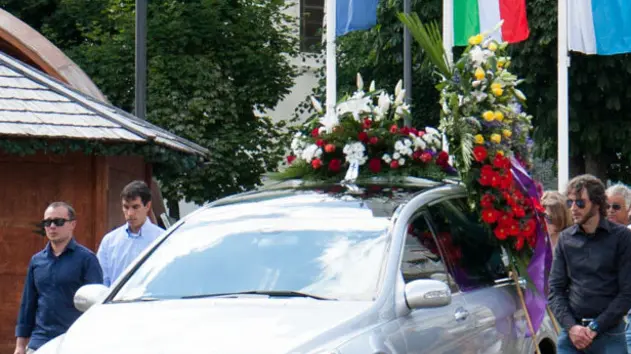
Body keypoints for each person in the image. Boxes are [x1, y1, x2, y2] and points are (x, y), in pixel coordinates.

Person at [549, 174, 631, 353]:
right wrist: (572, 328)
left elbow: (627, 292)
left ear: (596, 203)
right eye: (569, 203)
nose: (573, 208)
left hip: (609, 334)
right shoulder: (565, 239)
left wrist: (594, 328)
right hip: (572, 334)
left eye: (580, 203)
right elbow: (555, 289)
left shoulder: (622, 237)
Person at [14, 202, 103, 354]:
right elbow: (27, 304)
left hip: (73, 341)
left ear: (72, 224)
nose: (52, 226)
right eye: (47, 222)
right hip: (40, 342)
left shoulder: (87, 260)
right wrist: (20, 345)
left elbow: (96, 306)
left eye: (58, 222)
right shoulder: (37, 261)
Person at [97, 180, 164, 286]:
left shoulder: (162, 239)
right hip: (116, 301)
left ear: (147, 206)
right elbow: (101, 280)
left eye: (135, 207)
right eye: (126, 207)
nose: (130, 213)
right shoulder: (109, 241)